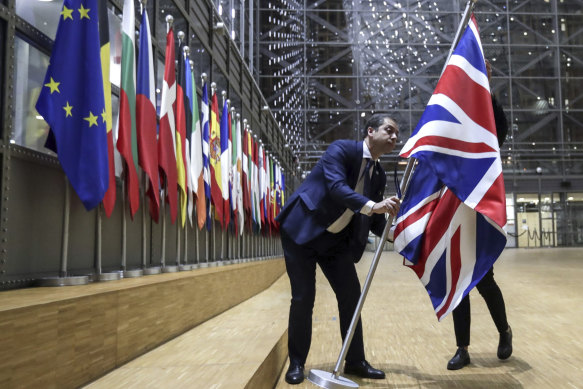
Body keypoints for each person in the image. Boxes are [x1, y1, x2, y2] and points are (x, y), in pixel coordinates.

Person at [276, 113, 401, 384]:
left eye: (396, 134)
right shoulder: (341, 149)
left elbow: (376, 221)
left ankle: (355, 361)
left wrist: (400, 236)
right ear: (370, 131)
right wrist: (372, 206)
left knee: (351, 297)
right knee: (303, 298)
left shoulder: (377, 175)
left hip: (335, 242)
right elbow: (336, 188)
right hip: (302, 232)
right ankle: (296, 362)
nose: (394, 137)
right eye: (389, 130)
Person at [447, 60, 513, 370]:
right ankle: (462, 348)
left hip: (481, 200)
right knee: (459, 283)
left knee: (485, 281)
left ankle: (504, 331)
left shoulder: (488, 115)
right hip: (454, 203)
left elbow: (500, 132)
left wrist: (483, 91)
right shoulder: (451, 113)